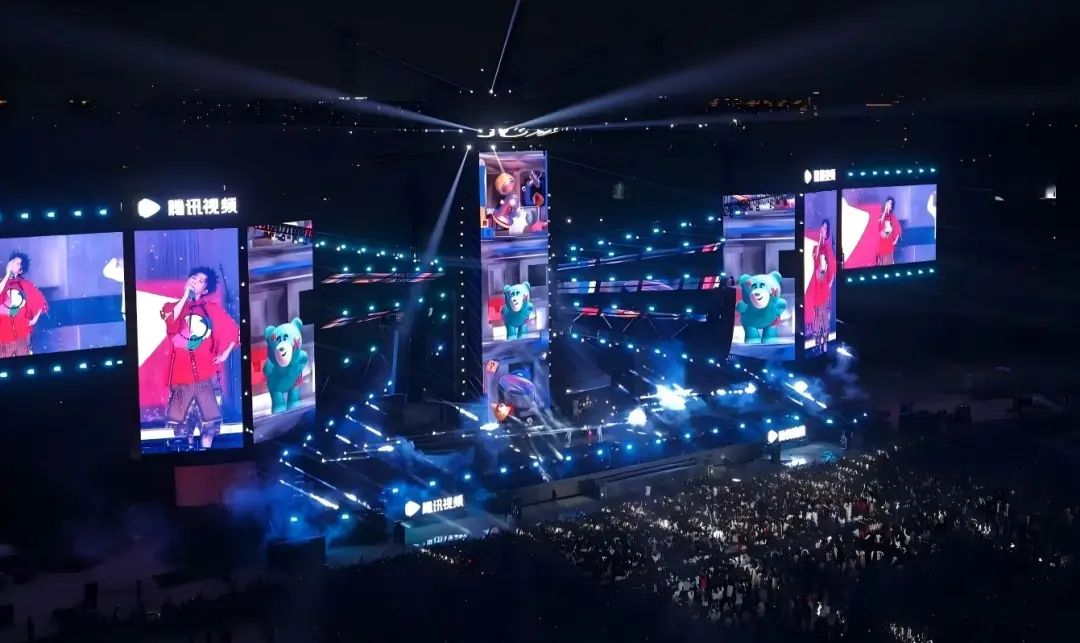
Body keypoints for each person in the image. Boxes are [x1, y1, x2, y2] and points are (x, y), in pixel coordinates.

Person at [160, 267, 238, 450]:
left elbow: (235, 330)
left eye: (201, 280)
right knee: (181, 430)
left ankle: (206, 454)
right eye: (194, 277)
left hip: (206, 378)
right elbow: (171, 322)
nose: (195, 281)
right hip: (181, 379)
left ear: (205, 289)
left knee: (210, 427)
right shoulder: (171, 307)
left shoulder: (211, 310)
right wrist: (185, 296)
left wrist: (226, 352)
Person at [0, 251, 47, 358]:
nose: (13, 264)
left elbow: (41, 302)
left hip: (22, 336)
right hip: (3, 338)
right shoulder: (2, 282)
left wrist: (34, 319)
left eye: (17, 263)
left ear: (20, 270)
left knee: (24, 364)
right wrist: (7, 275)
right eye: (12, 261)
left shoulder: (25, 284)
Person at [809, 219, 835, 352]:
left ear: (827, 232)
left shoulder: (828, 248)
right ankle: (816, 344)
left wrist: (829, 284)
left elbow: (832, 268)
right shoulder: (816, 248)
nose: (823, 230)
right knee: (817, 313)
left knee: (824, 313)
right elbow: (815, 258)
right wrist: (820, 240)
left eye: (825, 229)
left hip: (824, 285)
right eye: (822, 227)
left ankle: (825, 344)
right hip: (816, 285)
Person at [876, 197, 901, 266]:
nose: (888, 204)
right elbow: (879, 224)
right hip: (880, 246)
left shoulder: (892, 217)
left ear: (891, 207)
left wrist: (895, 241)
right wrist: (884, 211)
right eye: (887, 202)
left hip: (888, 247)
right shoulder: (881, 215)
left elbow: (898, 230)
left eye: (890, 203)